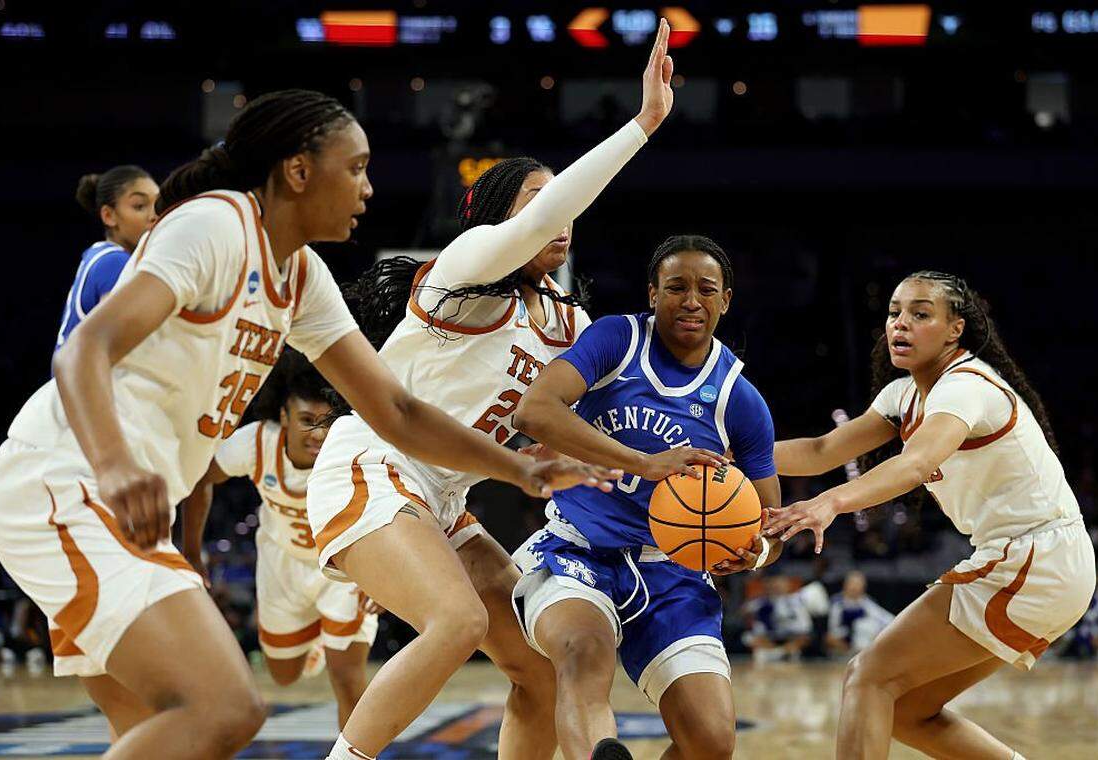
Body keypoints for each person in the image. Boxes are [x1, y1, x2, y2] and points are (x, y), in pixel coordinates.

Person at [0, 88, 615, 760]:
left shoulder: (303, 276)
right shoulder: (217, 225)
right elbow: (83, 349)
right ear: (299, 171)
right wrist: (114, 466)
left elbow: (397, 410)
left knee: (157, 725)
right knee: (225, 706)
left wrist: (521, 469)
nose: (368, 188)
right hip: (71, 477)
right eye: (357, 168)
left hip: (138, 503)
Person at [305, 20, 678, 760]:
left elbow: (626, 411)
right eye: (541, 201)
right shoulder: (462, 270)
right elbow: (546, 214)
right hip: (373, 466)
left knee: (537, 671)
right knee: (457, 622)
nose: (559, 215)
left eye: (560, 202)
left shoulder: (569, 325)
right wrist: (642, 125)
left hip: (444, 500)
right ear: (505, 215)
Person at [767, 271, 1096, 759]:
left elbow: (917, 463)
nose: (900, 323)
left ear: (954, 329)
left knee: (868, 677)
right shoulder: (903, 395)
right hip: (1040, 563)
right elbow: (821, 451)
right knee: (905, 711)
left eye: (920, 314)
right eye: (894, 312)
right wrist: (735, 455)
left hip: (1035, 557)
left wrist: (830, 502)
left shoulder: (965, 386)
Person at [512, 234, 783, 760]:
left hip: (672, 572)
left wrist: (757, 552)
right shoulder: (617, 340)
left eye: (706, 289)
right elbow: (534, 411)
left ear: (726, 300)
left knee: (711, 742)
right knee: (582, 654)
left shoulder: (739, 400)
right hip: (579, 550)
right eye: (676, 287)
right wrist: (642, 463)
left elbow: (770, 523)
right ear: (653, 294)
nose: (691, 300)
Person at [180, 349, 380, 728]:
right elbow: (200, 479)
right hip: (281, 563)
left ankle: (352, 751)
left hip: (343, 566)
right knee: (283, 675)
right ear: (284, 416)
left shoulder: (353, 447)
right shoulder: (256, 443)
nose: (317, 434)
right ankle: (316, 639)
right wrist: (192, 552)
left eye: (326, 422)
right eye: (306, 421)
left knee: (347, 680)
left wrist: (383, 577)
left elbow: (389, 505)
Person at [56, 166, 159, 351]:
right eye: (139, 206)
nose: (154, 215)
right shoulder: (114, 261)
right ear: (109, 216)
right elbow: (117, 340)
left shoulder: (100, 254)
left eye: (158, 204)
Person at [743, 574, 813, 663]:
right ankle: (779, 653)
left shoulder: (797, 601)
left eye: (779, 584)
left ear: (787, 585)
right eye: (772, 584)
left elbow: (805, 629)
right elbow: (747, 615)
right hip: (769, 639)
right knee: (747, 638)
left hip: (790, 637)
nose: (775, 587)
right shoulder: (759, 603)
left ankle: (779, 653)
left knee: (804, 639)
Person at [824, 570, 893, 656]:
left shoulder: (868, 603)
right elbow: (829, 634)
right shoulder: (836, 603)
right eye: (852, 584)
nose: (855, 588)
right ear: (845, 585)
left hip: (863, 650)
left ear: (863, 587)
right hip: (840, 648)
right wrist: (846, 648)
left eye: (858, 585)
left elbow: (887, 621)